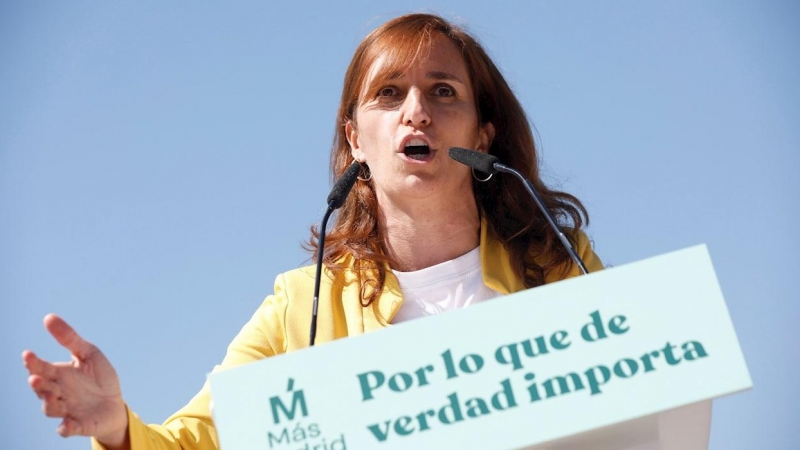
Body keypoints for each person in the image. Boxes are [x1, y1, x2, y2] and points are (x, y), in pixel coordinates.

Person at [22, 12, 603, 450]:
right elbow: (197, 441)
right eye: (389, 94)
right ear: (356, 140)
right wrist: (118, 428)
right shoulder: (301, 307)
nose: (417, 112)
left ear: (481, 136)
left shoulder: (559, 266)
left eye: (443, 91)